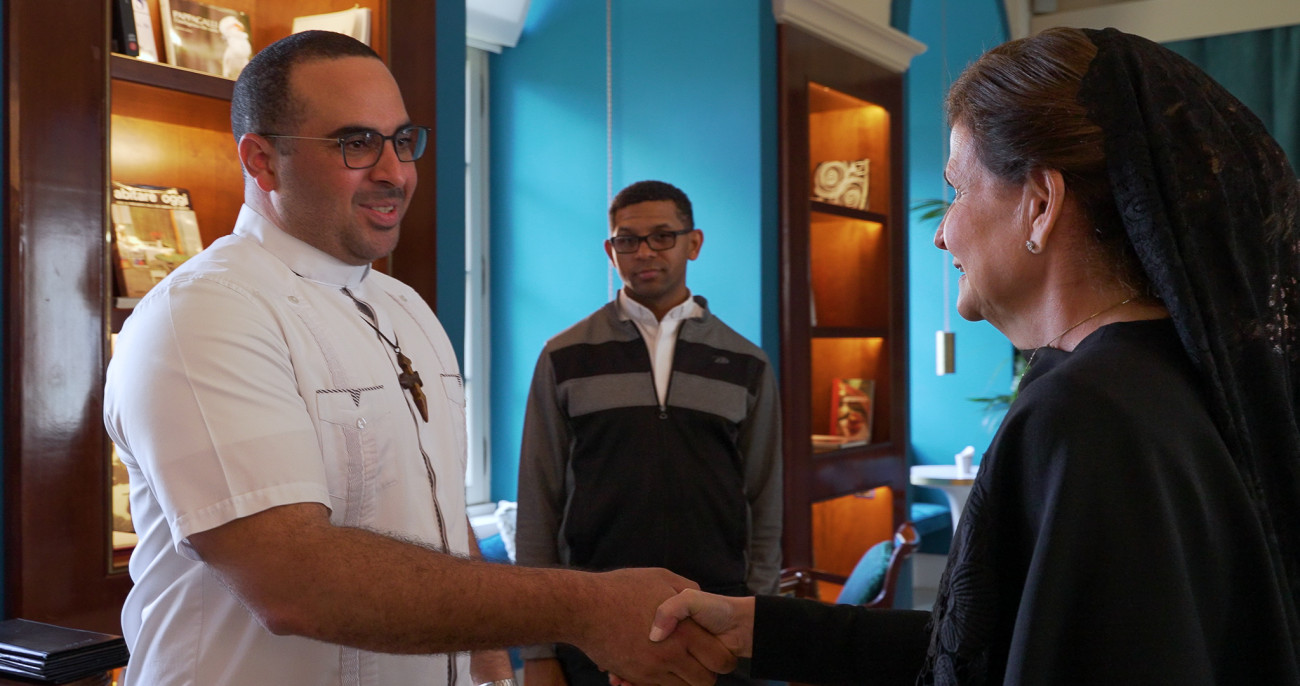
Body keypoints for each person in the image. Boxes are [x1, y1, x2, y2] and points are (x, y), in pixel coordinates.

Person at [646, 27, 1300, 685]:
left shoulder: (1087, 412)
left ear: (1039, 205)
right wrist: (756, 629)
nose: (941, 233)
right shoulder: (1161, 377)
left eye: (958, 189)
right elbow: (992, 642)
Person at [103, 31, 733, 686]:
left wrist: (493, 674)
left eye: (402, 141)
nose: (395, 172)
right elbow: (294, 581)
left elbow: (441, 521)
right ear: (262, 161)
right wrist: (588, 608)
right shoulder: (205, 313)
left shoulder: (406, 308)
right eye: (356, 143)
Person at [515, 180, 783, 686]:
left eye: (662, 236)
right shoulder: (565, 356)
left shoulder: (746, 362)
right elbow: (538, 501)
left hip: (717, 617)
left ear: (693, 243)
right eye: (627, 240)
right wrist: (537, 649)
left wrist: (760, 617)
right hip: (592, 618)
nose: (644, 252)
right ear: (610, 250)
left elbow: (765, 500)